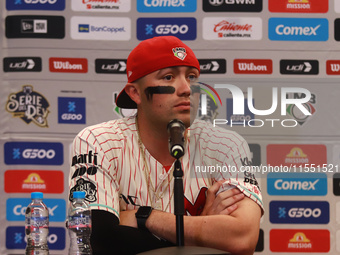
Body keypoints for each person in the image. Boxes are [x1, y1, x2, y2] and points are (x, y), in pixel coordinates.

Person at [68, 36, 263, 255]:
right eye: (168, 77)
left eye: (192, 77)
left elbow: (243, 239)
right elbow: (100, 240)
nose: (186, 88)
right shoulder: (98, 141)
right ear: (135, 93)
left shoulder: (226, 145)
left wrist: (145, 217)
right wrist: (203, 232)